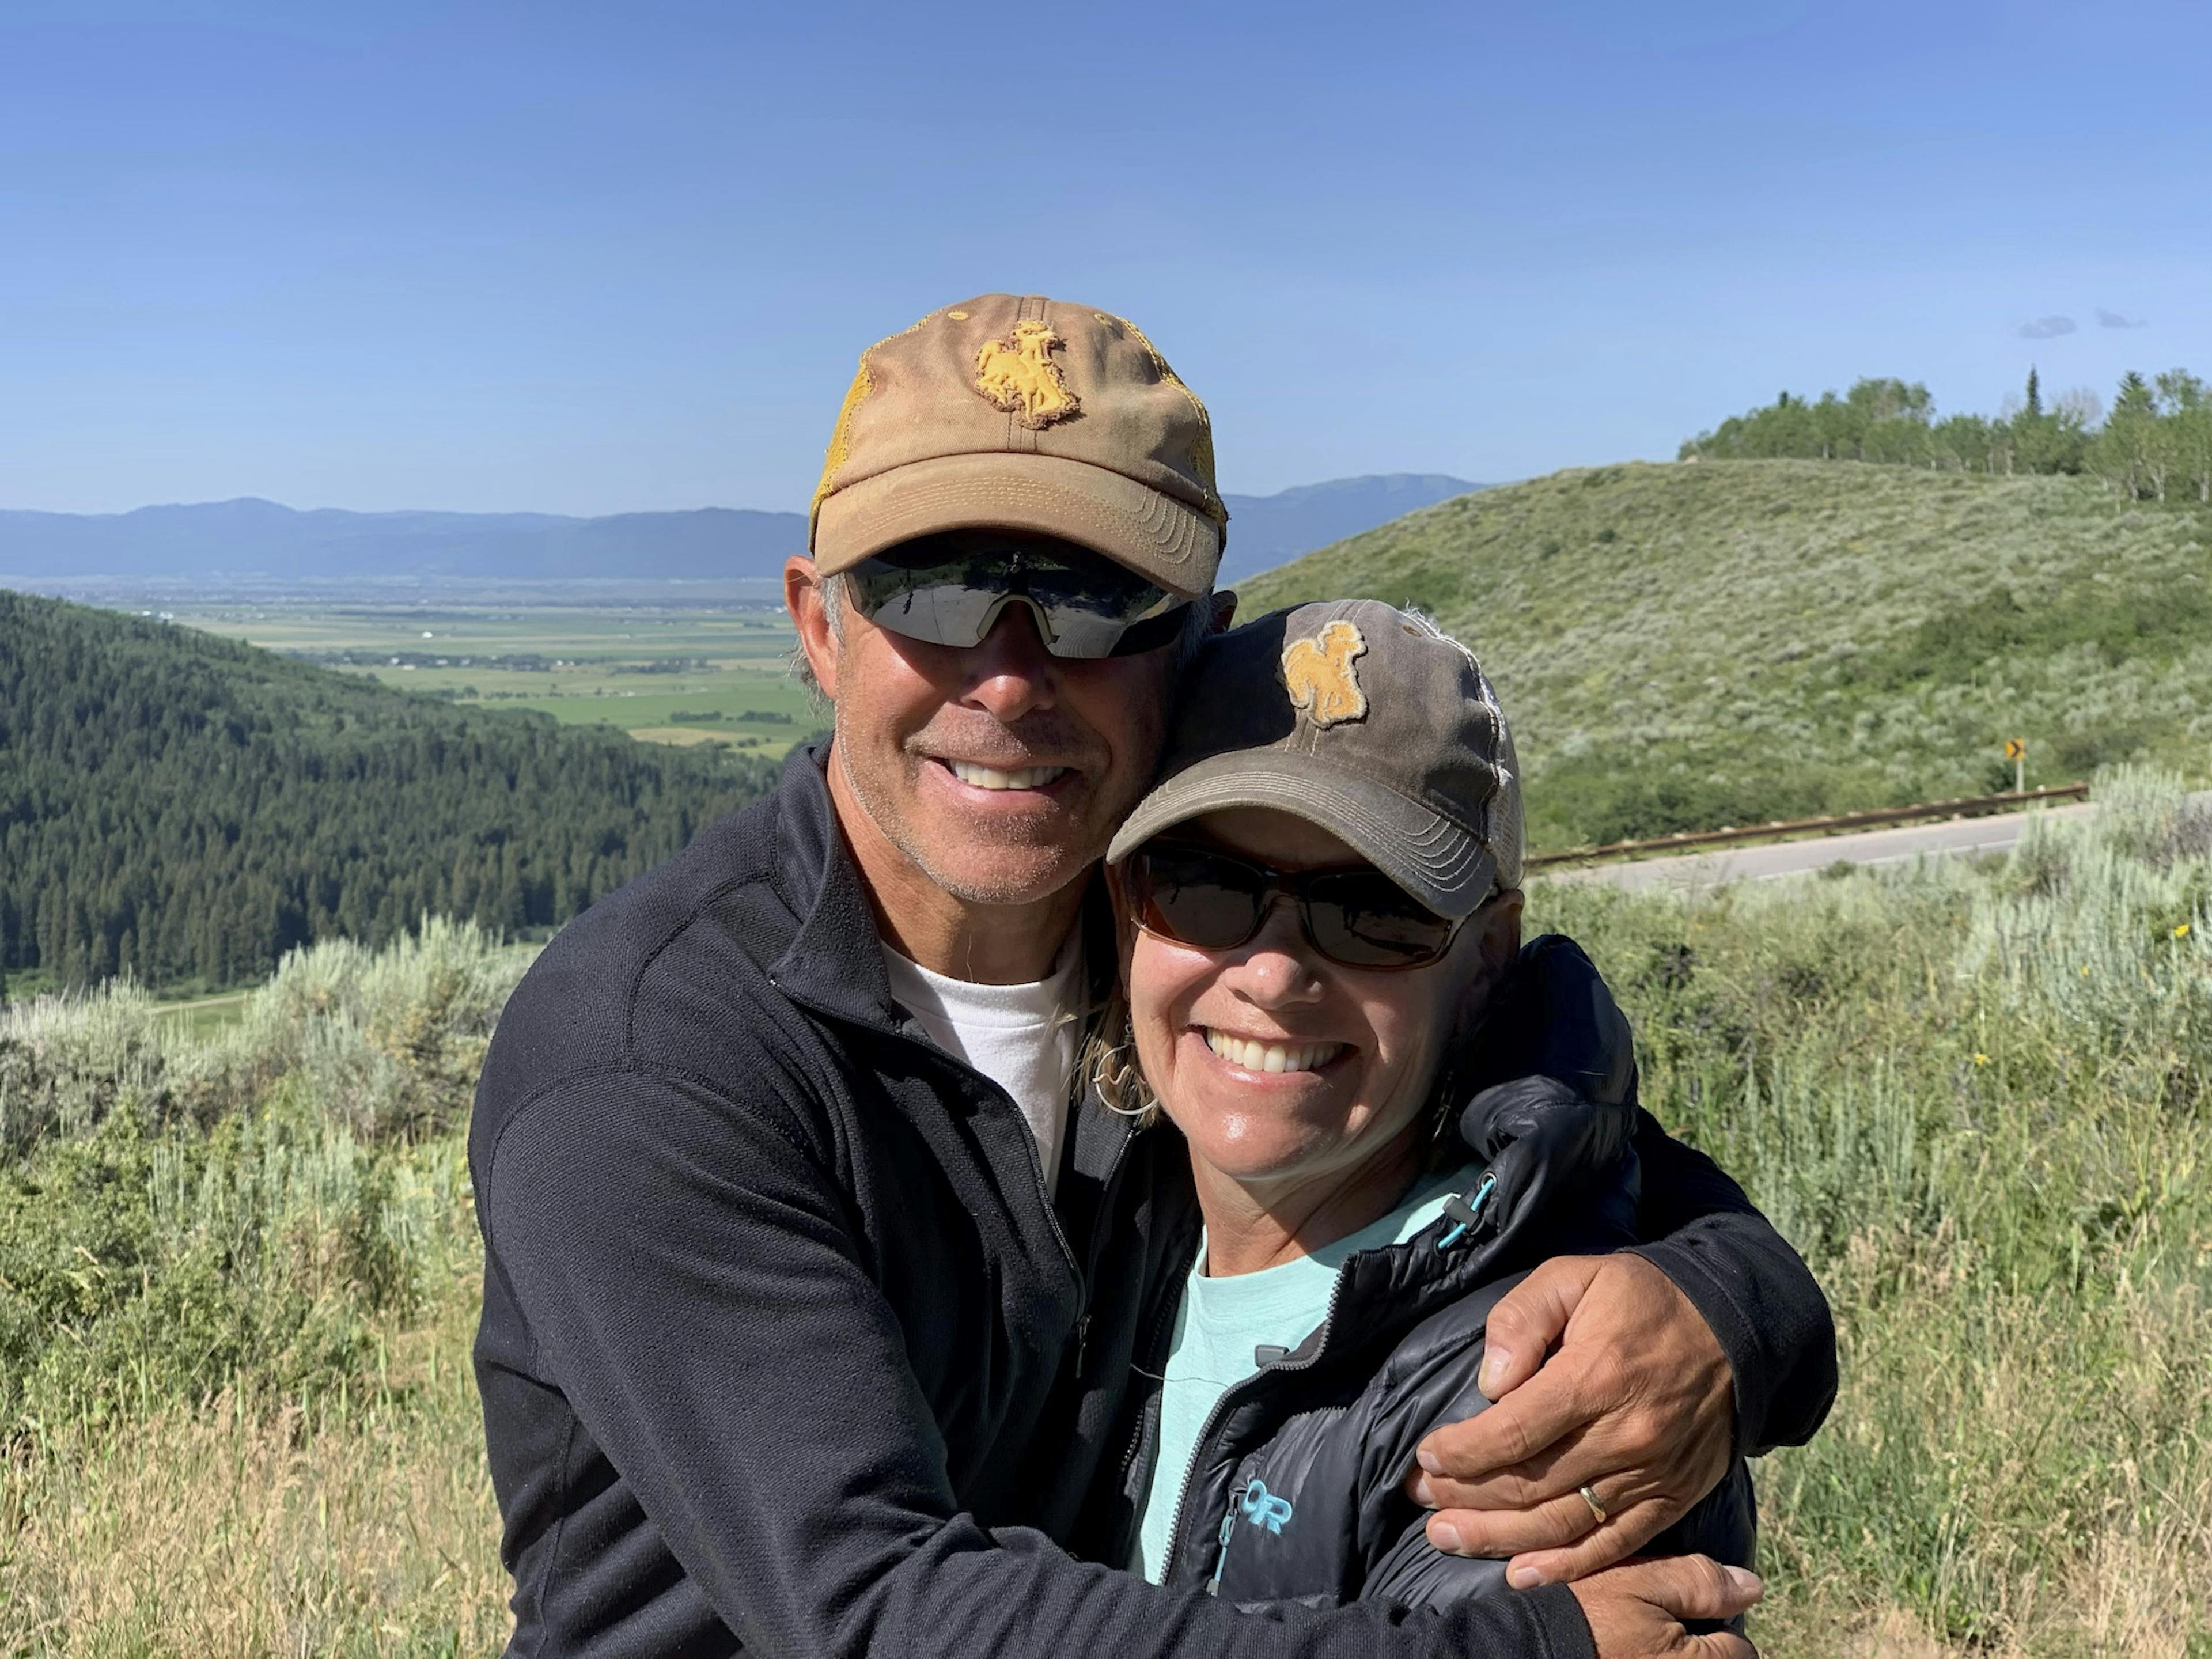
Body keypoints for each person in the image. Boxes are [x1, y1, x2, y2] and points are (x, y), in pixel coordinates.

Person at [469, 293, 1835, 1657]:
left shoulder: (1168, 934)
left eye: (1090, 600)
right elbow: (876, 1609)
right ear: (817, 625)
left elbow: (1541, 1123)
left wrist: (1736, 1302)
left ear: (1187, 652)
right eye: (930, 586)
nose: (1008, 680)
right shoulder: (653, 1058)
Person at [1082, 600, 1755, 1616]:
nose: (1270, 972)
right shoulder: (1091, 1215)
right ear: (1127, 910)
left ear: (1485, 960)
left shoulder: (1549, 1395)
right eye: (1204, 885)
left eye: (1372, 909)